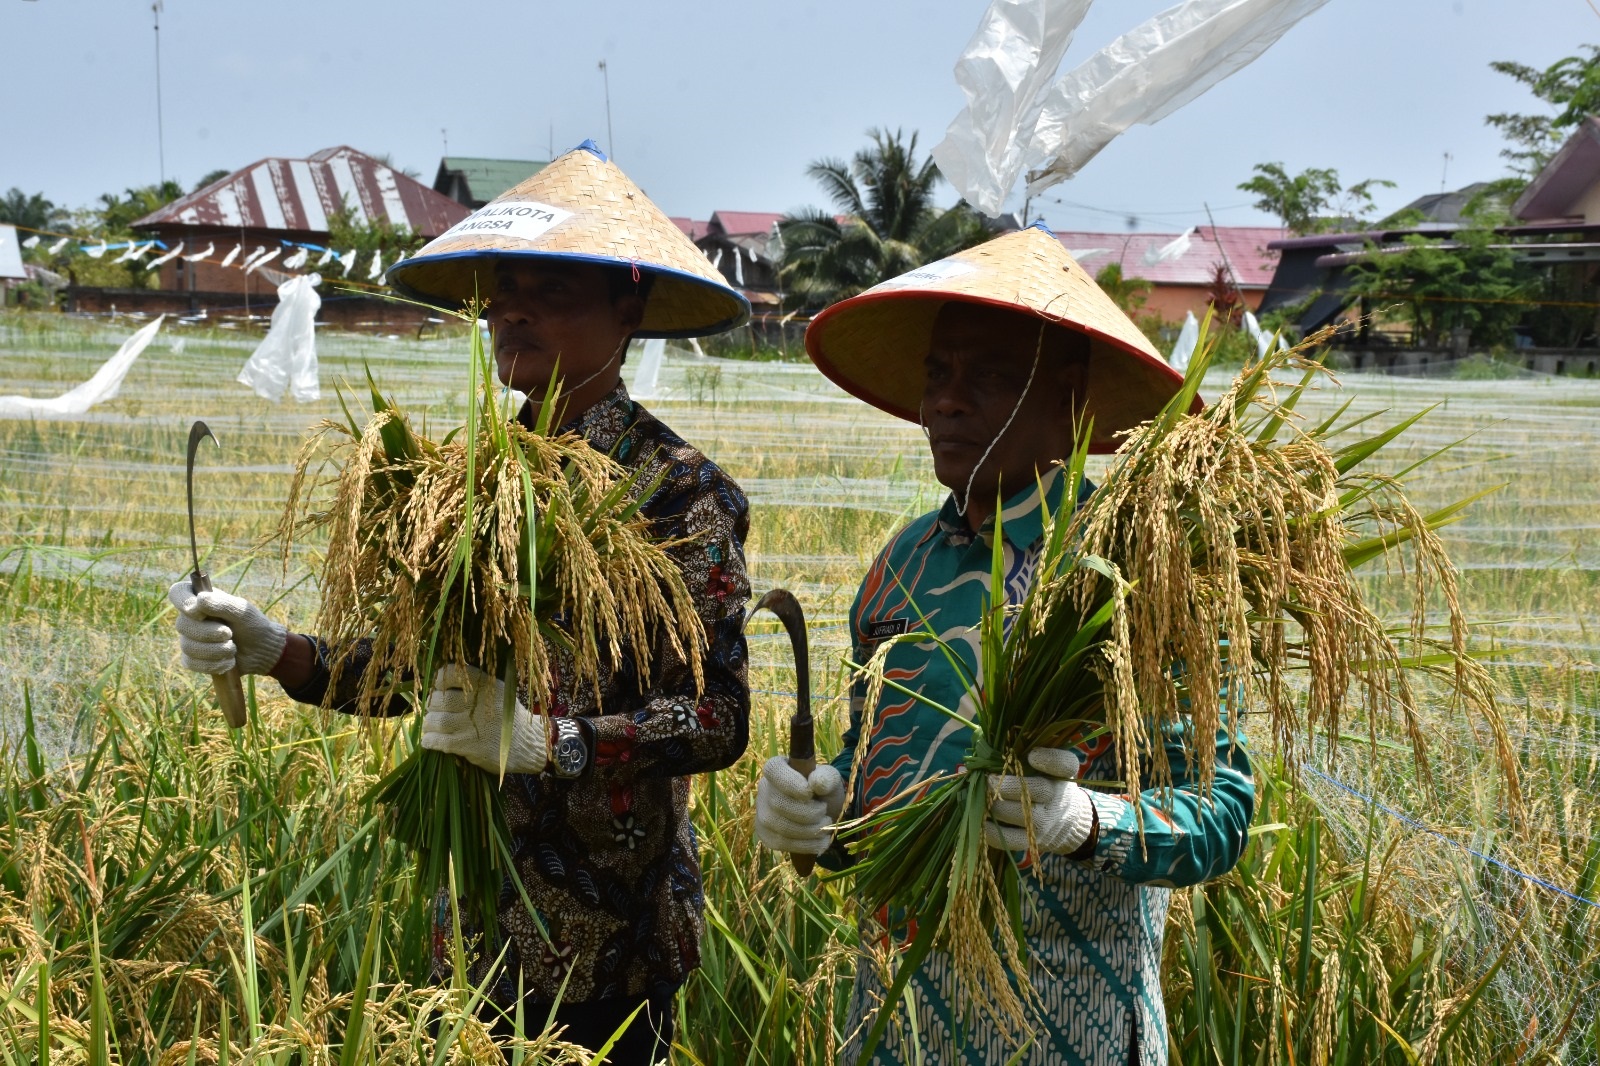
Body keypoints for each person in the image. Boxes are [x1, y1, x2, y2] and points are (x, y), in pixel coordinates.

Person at [166, 141, 753, 1065]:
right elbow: (410, 672)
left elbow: (721, 719)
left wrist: (549, 742)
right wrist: (276, 650)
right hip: (471, 934)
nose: (512, 308)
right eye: (502, 289)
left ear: (628, 307)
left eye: (552, 287)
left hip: (612, 949)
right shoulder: (469, 479)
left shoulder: (679, 494)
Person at [755, 223, 1256, 1065]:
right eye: (937, 375)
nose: (947, 401)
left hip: (1068, 1018)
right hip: (895, 1017)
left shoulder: (1140, 571)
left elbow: (1219, 814)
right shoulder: (902, 566)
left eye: (986, 376)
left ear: (1070, 394)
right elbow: (870, 771)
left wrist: (1091, 821)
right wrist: (821, 811)